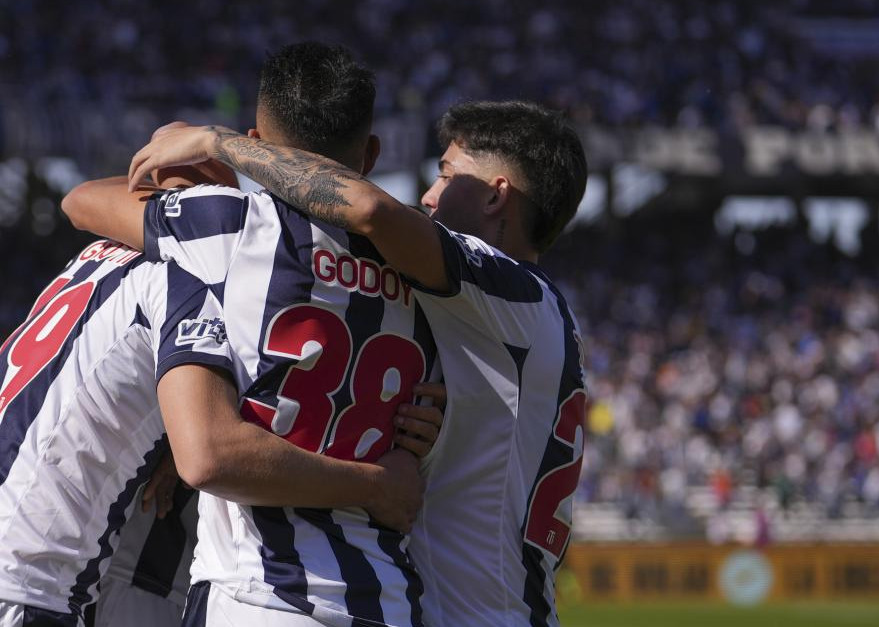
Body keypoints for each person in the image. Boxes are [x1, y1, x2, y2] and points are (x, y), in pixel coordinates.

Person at [119, 100, 590, 626]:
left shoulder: (512, 291)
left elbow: (371, 210)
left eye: (446, 175)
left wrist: (219, 144)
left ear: (494, 195)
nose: (428, 197)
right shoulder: (525, 321)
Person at [0, 225, 444, 625]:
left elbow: (81, 201)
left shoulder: (78, 268)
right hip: (28, 596)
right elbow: (213, 453)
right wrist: (377, 482)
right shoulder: (184, 281)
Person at [63, 42, 442, 626]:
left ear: (256, 144)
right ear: (370, 155)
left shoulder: (226, 225)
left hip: (263, 595)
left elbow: (81, 201)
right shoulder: (431, 272)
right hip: (390, 598)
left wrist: (208, 163)